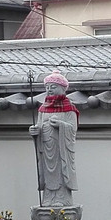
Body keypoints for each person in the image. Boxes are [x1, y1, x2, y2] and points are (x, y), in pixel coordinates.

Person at [29, 71, 78, 207]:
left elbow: (73, 129)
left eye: (53, 87)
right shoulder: (42, 109)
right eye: (47, 87)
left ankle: (62, 198)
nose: (49, 90)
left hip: (61, 149)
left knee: (60, 171)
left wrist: (61, 125)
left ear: (63, 88)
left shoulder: (69, 108)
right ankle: (48, 198)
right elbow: (39, 126)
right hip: (46, 148)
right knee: (48, 172)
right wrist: (34, 131)